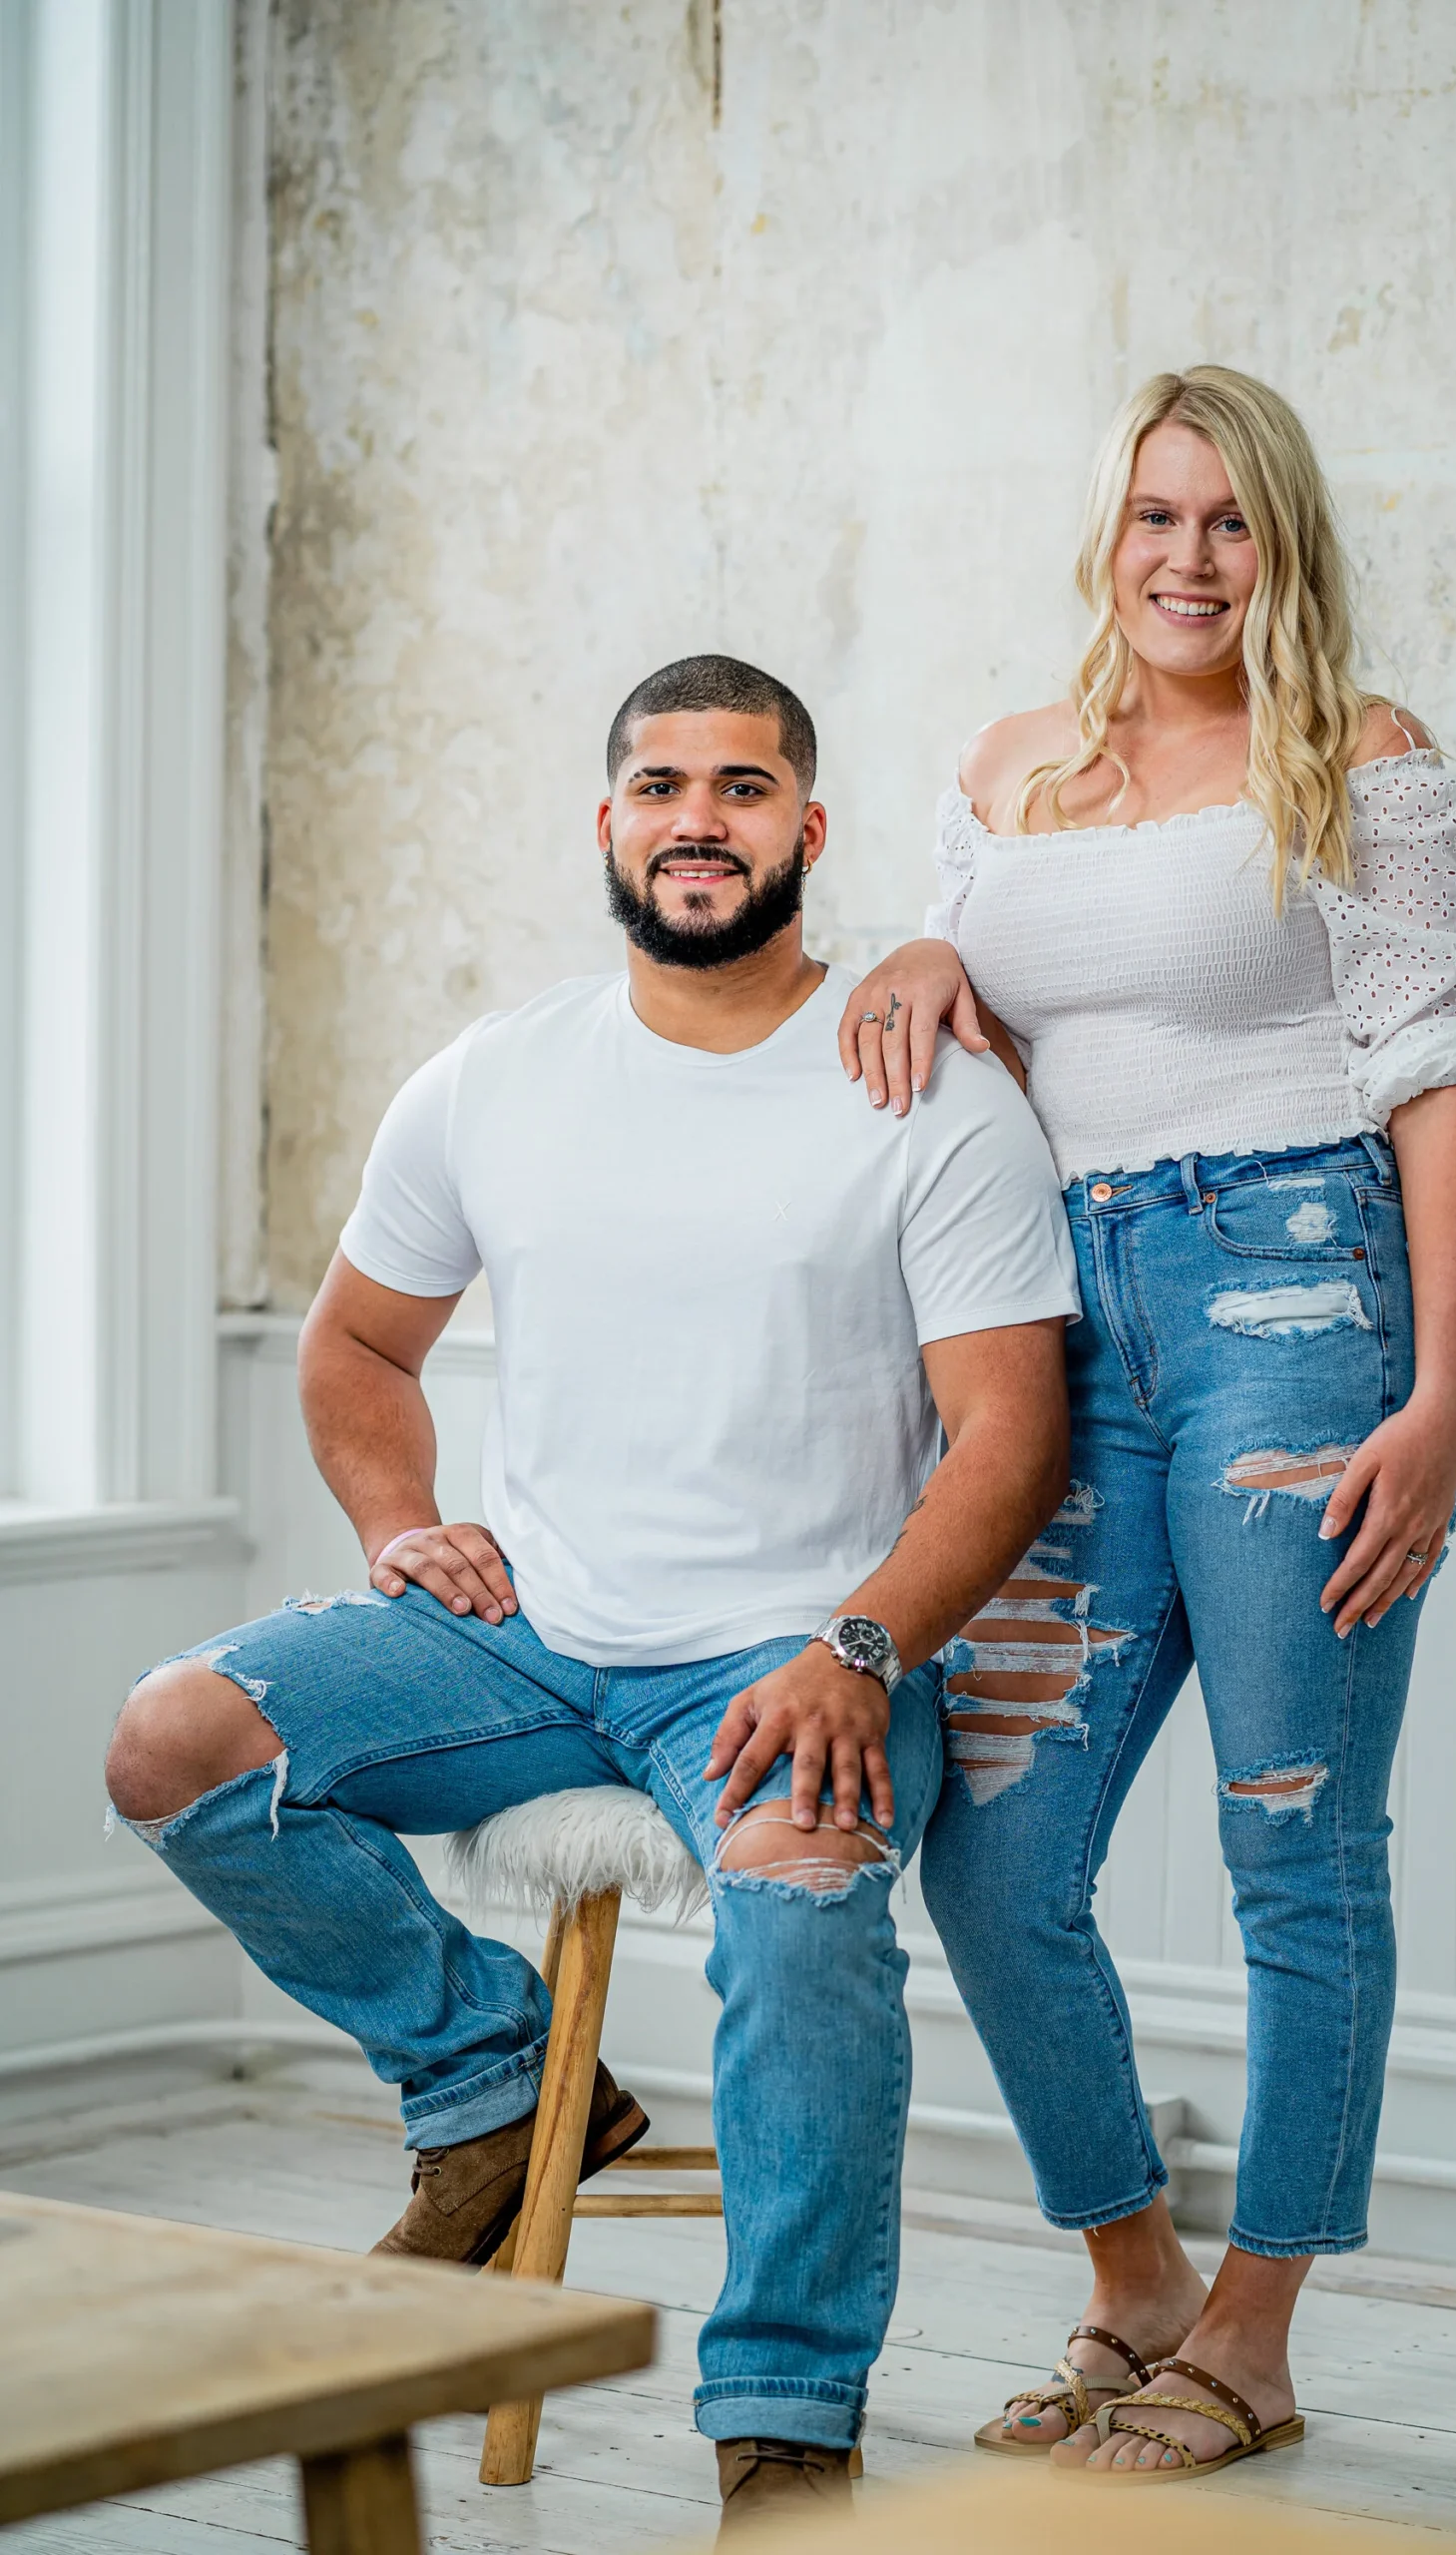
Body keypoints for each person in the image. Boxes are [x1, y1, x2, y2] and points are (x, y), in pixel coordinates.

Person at [105, 655, 1079, 2534]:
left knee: (800, 1916)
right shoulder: (499, 1075)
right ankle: (485, 2085)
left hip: (794, 1650)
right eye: (659, 786)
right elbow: (356, 1346)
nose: (696, 821)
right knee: (175, 1741)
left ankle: (781, 2418)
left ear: (808, 828)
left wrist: (860, 1645)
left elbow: (1009, 1442)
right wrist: (400, 1525)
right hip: (531, 1636)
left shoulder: (925, 1096)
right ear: (610, 823)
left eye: (740, 787)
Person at [837, 367, 1456, 2482]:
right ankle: (1134, 2278)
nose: (1189, 558)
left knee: (1294, 1841)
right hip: (1066, 1328)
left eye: (1229, 521)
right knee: (994, 1849)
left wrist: (1444, 1399)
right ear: (1105, 535)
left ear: (1277, 544)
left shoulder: (1362, 760)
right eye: (1155, 515)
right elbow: (1003, 1029)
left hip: (1297, 1304)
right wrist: (927, 943)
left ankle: (1256, 2330)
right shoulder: (1005, 768)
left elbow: (1439, 1084)